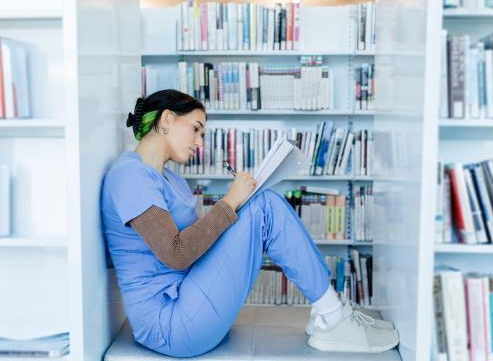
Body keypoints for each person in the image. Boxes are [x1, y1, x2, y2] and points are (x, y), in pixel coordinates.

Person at [101, 89, 399, 357]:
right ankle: (333, 315)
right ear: (167, 119)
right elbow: (176, 254)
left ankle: (330, 312)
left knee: (259, 203)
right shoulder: (131, 175)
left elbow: (195, 244)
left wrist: (239, 206)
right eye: (196, 129)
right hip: (168, 325)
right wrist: (230, 202)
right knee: (264, 206)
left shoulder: (169, 178)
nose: (199, 143)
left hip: (187, 300)